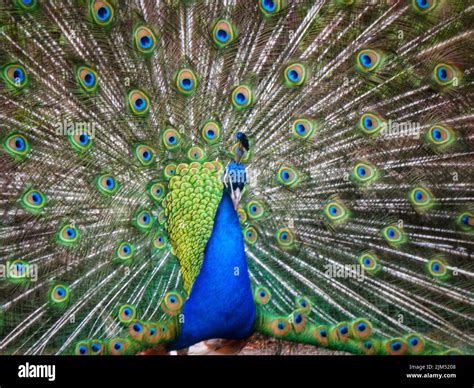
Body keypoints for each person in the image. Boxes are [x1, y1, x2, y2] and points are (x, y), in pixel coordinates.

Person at [223, 132, 249, 210]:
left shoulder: (242, 168)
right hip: (231, 187)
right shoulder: (229, 167)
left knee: (236, 197)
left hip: (236, 186)